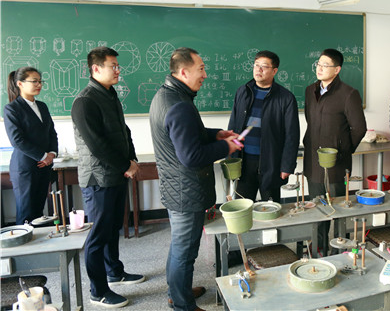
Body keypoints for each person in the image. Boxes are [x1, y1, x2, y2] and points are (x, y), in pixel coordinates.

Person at [149, 47, 241, 311]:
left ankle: (177, 292)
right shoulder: (179, 105)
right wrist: (227, 147)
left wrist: (216, 134)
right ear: (183, 71)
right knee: (185, 251)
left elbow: (188, 133)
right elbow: (191, 156)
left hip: (175, 187)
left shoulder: (166, 96)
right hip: (186, 190)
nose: (205, 75)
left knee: (180, 246)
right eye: (201, 69)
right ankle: (182, 305)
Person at [71, 47, 144, 308]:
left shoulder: (110, 94)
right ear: (95, 69)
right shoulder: (85, 101)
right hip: (98, 179)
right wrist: (125, 164)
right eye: (113, 66)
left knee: (113, 228)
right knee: (98, 235)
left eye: (117, 65)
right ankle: (98, 291)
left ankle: (115, 271)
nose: (117, 70)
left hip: (116, 173)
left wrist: (132, 160)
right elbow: (97, 145)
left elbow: (124, 131)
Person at [303, 48, 366, 254]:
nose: (320, 68)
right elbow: (311, 121)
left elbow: (359, 128)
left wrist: (342, 151)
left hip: (337, 164)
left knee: (338, 208)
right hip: (313, 160)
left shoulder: (348, 94)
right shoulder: (310, 90)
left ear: (337, 70)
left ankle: (340, 248)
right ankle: (318, 247)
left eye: (325, 65)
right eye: (318, 64)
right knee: (317, 207)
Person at [228, 50, 300, 202]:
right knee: (243, 206)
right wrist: (232, 157)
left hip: (271, 161)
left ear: (274, 71)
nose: (258, 70)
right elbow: (233, 126)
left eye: (264, 66)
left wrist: (287, 166)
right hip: (244, 161)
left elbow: (292, 135)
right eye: (256, 65)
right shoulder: (243, 91)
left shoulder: (285, 98)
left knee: (271, 207)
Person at [4, 67, 58, 225]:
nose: (39, 85)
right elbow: (17, 140)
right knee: (26, 214)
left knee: (38, 213)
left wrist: (52, 153)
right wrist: (43, 156)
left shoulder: (42, 106)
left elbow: (52, 133)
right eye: (34, 81)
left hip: (44, 167)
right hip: (25, 169)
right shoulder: (12, 108)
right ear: (20, 83)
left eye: (40, 81)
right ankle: (24, 241)